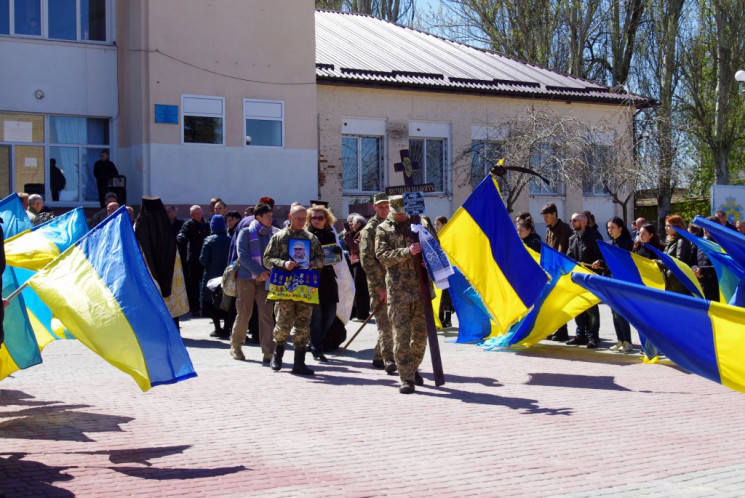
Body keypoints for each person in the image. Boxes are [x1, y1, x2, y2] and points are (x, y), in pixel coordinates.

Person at [375, 195, 429, 394]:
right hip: (398, 291)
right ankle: (406, 378)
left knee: (421, 337)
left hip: (421, 289)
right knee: (401, 336)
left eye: (404, 212)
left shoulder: (421, 224)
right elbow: (382, 256)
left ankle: (412, 368)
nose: (402, 216)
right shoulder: (383, 229)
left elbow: (436, 247)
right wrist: (407, 252)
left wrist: (428, 259)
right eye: (398, 213)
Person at [263, 204, 324, 375]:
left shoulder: (311, 238)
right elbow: (267, 260)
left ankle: (299, 362)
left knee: (303, 326)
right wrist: (283, 263)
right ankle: (277, 357)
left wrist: (314, 263)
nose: (302, 222)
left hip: (305, 288)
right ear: (290, 217)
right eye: (298, 218)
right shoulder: (279, 237)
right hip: (285, 288)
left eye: (304, 218)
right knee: (283, 323)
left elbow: (322, 259)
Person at [230, 203, 278, 363]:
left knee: (267, 315)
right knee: (244, 314)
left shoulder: (273, 234)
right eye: (268, 216)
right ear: (258, 217)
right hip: (246, 279)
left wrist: (267, 273)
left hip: (266, 280)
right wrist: (259, 271)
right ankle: (236, 346)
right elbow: (242, 255)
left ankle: (269, 351)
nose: (271, 219)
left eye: (271, 216)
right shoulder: (245, 232)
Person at [134, 196, 188, 325]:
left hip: (148, 264)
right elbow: (172, 245)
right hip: (168, 265)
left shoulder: (140, 222)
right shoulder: (164, 222)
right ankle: (174, 329)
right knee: (169, 297)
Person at [359, 193, 396, 372]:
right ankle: (389, 360)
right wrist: (380, 287)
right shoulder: (369, 230)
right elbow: (367, 260)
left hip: (396, 282)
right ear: (374, 207)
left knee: (393, 322)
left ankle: (379, 356)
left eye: (387, 206)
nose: (384, 209)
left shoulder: (393, 226)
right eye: (380, 206)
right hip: (378, 284)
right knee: (384, 322)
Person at [306, 204, 340, 363]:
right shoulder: (305, 235)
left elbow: (333, 256)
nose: (317, 220)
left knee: (330, 315)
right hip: (312, 279)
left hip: (328, 278)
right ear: (309, 219)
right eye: (314, 218)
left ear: (326, 219)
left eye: (321, 217)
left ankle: (315, 341)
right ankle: (316, 349)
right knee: (316, 317)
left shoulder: (330, 233)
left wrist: (337, 253)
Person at [566, 212, 603, 348]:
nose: (572, 223)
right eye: (571, 220)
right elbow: (569, 255)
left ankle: (593, 336)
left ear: (583, 222)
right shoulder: (572, 238)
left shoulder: (595, 237)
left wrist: (598, 262)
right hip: (577, 278)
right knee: (578, 307)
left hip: (591, 278)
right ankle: (580, 335)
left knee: (591, 309)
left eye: (574, 220)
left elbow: (602, 257)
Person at [540, 202, 572, 341]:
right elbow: (547, 247)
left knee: (559, 302)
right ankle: (556, 329)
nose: (545, 219)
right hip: (551, 269)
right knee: (552, 302)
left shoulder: (564, 228)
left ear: (554, 214)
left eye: (547, 216)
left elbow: (562, 248)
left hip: (560, 269)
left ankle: (562, 331)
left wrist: (556, 265)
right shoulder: (549, 229)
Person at [604, 217, 634, 353]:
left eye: (613, 227)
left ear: (620, 228)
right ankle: (620, 340)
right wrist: (599, 262)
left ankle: (627, 341)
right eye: (609, 228)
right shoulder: (609, 243)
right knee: (613, 311)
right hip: (610, 279)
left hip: (622, 280)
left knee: (621, 312)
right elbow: (607, 262)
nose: (610, 230)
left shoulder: (628, 244)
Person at [199, 215, 232, 338]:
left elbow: (203, 259)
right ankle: (227, 328)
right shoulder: (230, 239)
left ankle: (217, 329)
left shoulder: (209, 240)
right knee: (227, 301)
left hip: (211, 276)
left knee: (213, 302)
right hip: (227, 276)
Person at [178, 205, 210, 316]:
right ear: (191, 215)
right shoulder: (188, 225)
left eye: (200, 213)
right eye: (196, 214)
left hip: (205, 258)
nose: (198, 215)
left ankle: (207, 308)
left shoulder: (206, 224)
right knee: (193, 285)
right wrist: (181, 238)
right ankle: (194, 308)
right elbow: (182, 235)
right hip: (193, 259)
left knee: (206, 284)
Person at [344, 213, 370, 320]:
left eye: (353, 224)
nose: (351, 227)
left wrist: (346, 236)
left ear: (359, 223)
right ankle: (360, 313)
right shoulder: (358, 232)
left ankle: (362, 314)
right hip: (357, 261)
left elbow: (355, 248)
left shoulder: (361, 233)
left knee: (360, 289)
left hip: (359, 262)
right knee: (360, 288)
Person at [662, 215, 695, 294]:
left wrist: (659, 263)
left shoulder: (681, 241)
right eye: (665, 226)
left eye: (668, 226)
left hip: (676, 282)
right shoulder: (670, 241)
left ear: (677, 227)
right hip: (669, 281)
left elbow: (679, 262)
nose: (666, 228)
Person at [433, 214, 453, 329]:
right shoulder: (435, 237)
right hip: (438, 270)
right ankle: (440, 319)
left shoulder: (448, 237)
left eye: (438, 224)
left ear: (444, 224)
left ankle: (448, 319)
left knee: (447, 297)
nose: (436, 226)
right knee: (440, 296)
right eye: (435, 224)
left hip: (448, 270)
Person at [690, 223, 719, 302]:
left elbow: (720, 266)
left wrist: (702, 270)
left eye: (708, 227)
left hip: (715, 286)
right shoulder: (699, 243)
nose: (705, 230)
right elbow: (692, 261)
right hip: (702, 283)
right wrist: (695, 269)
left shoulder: (719, 245)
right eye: (704, 227)